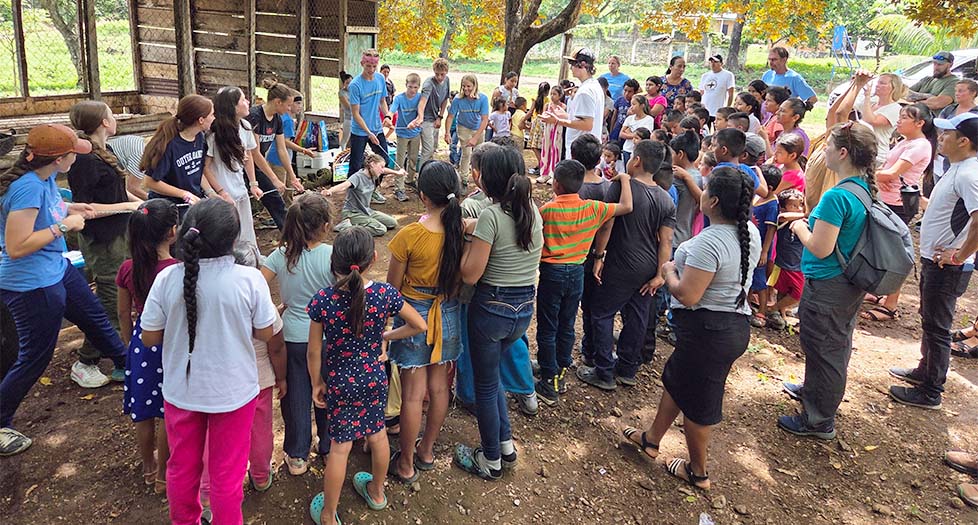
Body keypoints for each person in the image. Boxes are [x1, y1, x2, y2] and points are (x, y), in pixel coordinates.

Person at [137, 198, 276, 524]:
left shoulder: (166, 279)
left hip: (181, 392)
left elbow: (149, 337)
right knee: (227, 476)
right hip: (234, 393)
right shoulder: (250, 280)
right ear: (233, 240)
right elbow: (265, 332)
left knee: (181, 469)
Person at [622, 166, 759, 491]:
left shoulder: (709, 243)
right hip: (729, 324)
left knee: (699, 406)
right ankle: (652, 439)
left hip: (708, 332)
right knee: (677, 380)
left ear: (713, 201)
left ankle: (698, 472)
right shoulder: (748, 232)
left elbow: (687, 294)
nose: (702, 192)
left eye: (706, 188)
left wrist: (668, 271)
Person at [0, 124, 126, 456]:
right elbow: (16, 246)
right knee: (35, 355)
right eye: (73, 153)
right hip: (31, 283)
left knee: (94, 317)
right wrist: (63, 226)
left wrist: (72, 209)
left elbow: (48, 211)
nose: (77, 158)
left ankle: (129, 366)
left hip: (55, 268)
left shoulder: (45, 179)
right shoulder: (28, 188)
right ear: (58, 159)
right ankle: (1, 421)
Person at [306, 226, 426, 525]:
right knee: (378, 434)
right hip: (374, 377)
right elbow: (418, 325)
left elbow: (314, 351)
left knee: (340, 447)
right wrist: (386, 335)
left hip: (340, 382)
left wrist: (317, 382)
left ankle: (329, 515)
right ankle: (376, 492)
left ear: (333, 261)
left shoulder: (323, 300)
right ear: (373, 258)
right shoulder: (385, 294)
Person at [777, 122, 879, 440]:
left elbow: (820, 247)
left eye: (829, 147)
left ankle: (818, 419)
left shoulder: (837, 196)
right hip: (845, 282)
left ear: (843, 152)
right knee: (830, 343)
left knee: (826, 348)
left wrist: (799, 227)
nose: (825, 152)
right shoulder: (861, 187)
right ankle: (814, 392)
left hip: (829, 282)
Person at [454, 147, 543, 480]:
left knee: (486, 386)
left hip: (491, 310)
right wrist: (474, 227)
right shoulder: (532, 210)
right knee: (494, 381)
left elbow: (470, 274)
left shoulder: (491, 216)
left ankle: (490, 459)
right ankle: (505, 446)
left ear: (488, 180)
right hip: (522, 311)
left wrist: (466, 244)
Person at [887, 113, 978, 410]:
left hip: (947, 266)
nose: (940, 137)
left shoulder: (969, 174)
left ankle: (931, 391)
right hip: (935, 261)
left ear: (964, 141)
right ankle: (924, 371)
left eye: (947, 134)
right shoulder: (958, 168)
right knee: (930, 319)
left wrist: (959, 255)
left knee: (938, 327)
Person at [386, 160, 464, 483]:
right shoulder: (461, 231)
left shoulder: (410, 235)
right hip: (447, 312)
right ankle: (426, 451)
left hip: (413, 314)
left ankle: (405, 464)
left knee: (412, 395)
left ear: (423, 197)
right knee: (440, 386)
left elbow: (392, 289)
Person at [535, 157, 633, 405]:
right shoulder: (594, 208)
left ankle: (548, 379)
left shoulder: (547, 211)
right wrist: (625, 179)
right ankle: (560, 371)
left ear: (556, 184)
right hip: (577, 272)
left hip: (552, 273)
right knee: (567, 324)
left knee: (548, 326)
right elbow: (626, 206)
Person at [582, 140, 676, 390]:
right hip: (648, 266)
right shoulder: (666, 198)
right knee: (637, 316)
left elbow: (607, 223)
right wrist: (660, 274)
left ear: (637, 161)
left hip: (620, 263)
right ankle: (627, 368)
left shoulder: (622, 187)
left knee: (602, 313)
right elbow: (666, 240)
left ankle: (603, 371)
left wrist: (598, 256)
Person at [66, 101, 142, 387]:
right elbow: (84, 208)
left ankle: (120, 355)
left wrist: (144, 204)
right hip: (102, 240)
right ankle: (86, 361)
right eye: (111, 115)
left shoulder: (104, 150)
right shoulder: (83, 160)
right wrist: (128, 207)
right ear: (103, 123)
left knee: (123, 294)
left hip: (121, 232)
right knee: (110, 300)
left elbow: (119, 192)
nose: (115, 118)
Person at [260, 192, 334, 475]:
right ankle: (328, 445)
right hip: (326, 337)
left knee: (295, 397)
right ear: (325, 226)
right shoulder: (332, 255)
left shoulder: (280, 255)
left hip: (292, 337)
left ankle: (297, 454)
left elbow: (256, 286)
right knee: (326, 390)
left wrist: (276, 309)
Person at [116, 198, 178, 492]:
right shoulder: (177, 269)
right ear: (172, 232)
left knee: (143, 409)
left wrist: (130, 343)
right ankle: (164, 475)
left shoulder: (127, 268)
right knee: (167, 409)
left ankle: (148, 468)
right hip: (172, 341)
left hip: (142, 342)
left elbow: (122, 313)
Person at [860, 103, 936, 323]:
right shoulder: (905, 141)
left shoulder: (920, 145)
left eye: (904, 117)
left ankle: (891, 304)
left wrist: (872, 175)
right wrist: (882, 176)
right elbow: (887, 172)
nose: (899, 121)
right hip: (887, 199)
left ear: (919, 123)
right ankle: (878, 290)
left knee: (894, 253)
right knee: (878, 247)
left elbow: (892, 173)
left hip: (898, 204)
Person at [206, 86, 266, 255]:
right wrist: (221, 192)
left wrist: (253, 184)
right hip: (223, 196)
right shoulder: (214, 134)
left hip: (240, 190)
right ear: (232, 106)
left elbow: (248, 156)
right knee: (228, 237)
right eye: (243, 100)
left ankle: (251, 259)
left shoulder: (245, 126)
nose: (248, 102)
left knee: (246, 231)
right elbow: (205, 168)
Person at [141, 95, 213, 208]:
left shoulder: (200, 137)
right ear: (201, 120)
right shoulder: (169, 145)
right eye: (212, 115)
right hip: (169, 206)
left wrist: (211, 193)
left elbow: (196, 170)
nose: (214, 118)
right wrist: (184, 194)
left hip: (191, 202)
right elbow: (149, 182)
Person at [247, 79, 302, 228]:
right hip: (244, 165)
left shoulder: (277, 119)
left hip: (257, 166)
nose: (289, 108)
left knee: (276, 201)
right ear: (278, 102)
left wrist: (292, 177)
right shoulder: (255, 116)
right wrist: (274, 179)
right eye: (288, 105)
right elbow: (255, 152)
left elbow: (282, 149)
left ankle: (290, 234)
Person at [827, 70, 904, 167]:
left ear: (893, 88)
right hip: (860, 151)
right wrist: (855, 85)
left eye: (882, 83)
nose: (877, 85)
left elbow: (871, 120)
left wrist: (867, 96)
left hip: (877, 156)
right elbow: (843, 108)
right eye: (878, 82)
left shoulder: (895, 109)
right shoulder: (873, 102)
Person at [542, 48, 605, 161]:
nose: (571, 68)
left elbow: (587, 124)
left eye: (573, 64)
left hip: (581, 151)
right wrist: (566, 116)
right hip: (588, 149)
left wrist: (557, 121)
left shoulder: (585, 91)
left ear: (583, 64)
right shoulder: (594, 85)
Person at [323, 152, 402, 236]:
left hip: (367, 211)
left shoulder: (373, 173)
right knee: (380, 229)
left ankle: (356, 225)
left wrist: (397, 173)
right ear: (372, 164)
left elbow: (384, 171)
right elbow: (344, 186)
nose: (382, 170)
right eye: (381, 167)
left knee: (392, 223)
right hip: (352, 213)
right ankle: (346, 227)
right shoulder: (357, 177)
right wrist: (330, 191)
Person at [347, 49, 394, 180]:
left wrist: (387, 116)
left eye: (374, 66)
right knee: (355, 165)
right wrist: (368, 133)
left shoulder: (380, 78)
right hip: (360, 130)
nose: (371, 69)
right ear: (362, 64)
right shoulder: (355, 85)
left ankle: (373, 187)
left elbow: (382, 101)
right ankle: (353, 189)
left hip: (377, 128)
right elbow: (356, 114)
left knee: (384, 160)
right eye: (368, 66)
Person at [767, 188, 806, 330]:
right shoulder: (784, 220)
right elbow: (782, 217)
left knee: (791, 291)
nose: (799, 208)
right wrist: (805, 214)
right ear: (783, 208)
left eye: (801, 205)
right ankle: (776, 310)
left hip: (797, 265)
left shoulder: (803, 221)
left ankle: (777, 310)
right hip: (785, 263)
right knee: (793, 293)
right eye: (794, 206)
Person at [749, 165, 782, 328]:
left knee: (760, 280)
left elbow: (771, 229)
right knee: (750, 276)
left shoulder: (772, 204)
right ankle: (747, 304)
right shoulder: (758, 198)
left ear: (768, 187)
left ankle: (761, 312)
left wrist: (764, 252)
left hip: (761, 248)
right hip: (752, 245)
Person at [444, 74, 489, 186]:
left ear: (475, 86)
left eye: (468, 86)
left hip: (478, 128)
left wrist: (475, 137)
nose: (465, 89)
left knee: (480, 154)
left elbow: (485, 120)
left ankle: (481, 178)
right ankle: (464, 179)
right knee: (466, 153)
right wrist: (447, 133)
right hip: (463, 127)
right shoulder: (458, 99)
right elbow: (450, 117)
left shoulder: (483, 99)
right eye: (463, 86)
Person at [268, 91, 315, 184]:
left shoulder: (280, 116)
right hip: (280, 160)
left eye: (301, 104)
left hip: (272, 156)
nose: (300, 106)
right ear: (289, 104)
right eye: (298, 103)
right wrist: (303, 150)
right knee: (281, 186)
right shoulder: (288, 121)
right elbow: (285, 142)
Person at [390, 73, 424, 202]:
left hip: (415, 133)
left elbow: (422, 113)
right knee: (399, 160)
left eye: (415, 87)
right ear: (406, 85)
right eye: (410, 87)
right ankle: (398, 188)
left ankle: (409, 180)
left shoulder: (420, 98)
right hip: (402, 133)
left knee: (413, 159)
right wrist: (388, 117)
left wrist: (416, 123)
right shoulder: (399, 98)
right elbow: (392, 110)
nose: (412, 90)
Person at [670, 130, 704, 250]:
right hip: (686, 236)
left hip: (673, 238)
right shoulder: (698, 175)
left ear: (680, 154)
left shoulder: (677, 178)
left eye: (672, 154)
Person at [415, 58, 451, 166]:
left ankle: (429, 171)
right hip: (426, 119)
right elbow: (422, 102)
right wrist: (420, 117)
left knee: (433, 149)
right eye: (437, 74)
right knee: (427, 150)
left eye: (442, 74)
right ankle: (422, 173)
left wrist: (440, 117)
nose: (439, 77)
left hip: (436, 117)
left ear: (446, 72)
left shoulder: (447, 80)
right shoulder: (428, 84)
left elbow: (445, 99)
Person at [536, 85, 566, 185]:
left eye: (555, 94)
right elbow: (543, 117)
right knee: (546, 149)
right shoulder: (547, 105)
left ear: (560, 95)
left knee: (555, 150)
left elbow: (562, 118)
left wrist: (554, 116)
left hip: (557, 130)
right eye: (551, 94)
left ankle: (553, 173)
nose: (552, 96)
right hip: (547, 129)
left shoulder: (563, 107)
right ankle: (544, 173)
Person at [699, 54, 735, 128]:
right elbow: (701, 92)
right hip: (705, 109)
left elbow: (731, 93)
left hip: (718, 109)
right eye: (711, 62)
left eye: (715, 62)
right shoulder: (705, 76)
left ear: (721, 63)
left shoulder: (728, 75)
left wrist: (727, 107)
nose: (713, 64)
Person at [619, 95, 656, 165]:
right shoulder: (629, 118)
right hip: (627, 149)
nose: (631, 107)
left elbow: (643, 135)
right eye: (631, 105)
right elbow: (621, 134)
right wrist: (635, 135)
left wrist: (629, 131)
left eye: (634, 104)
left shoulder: (649, 119)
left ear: (642, 106)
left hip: (639, 151)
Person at [526, 82, 551, 175]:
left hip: (536, 122)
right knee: (540, 146)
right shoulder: (548, 100)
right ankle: (541, 164)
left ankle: (542, 165)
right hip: (543, 123)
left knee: (534, 146)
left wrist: (523, 119)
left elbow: (530, 111)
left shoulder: (535, 99)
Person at [609, 78, 639, 146]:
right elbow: (614, 117)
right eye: (625, 90)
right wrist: (611, 130)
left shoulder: (636, 104)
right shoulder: (619, 100)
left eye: (630, 91)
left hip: (627, 132)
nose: (626, 93)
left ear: (635, 92)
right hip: (617, 129)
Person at [338, 71, 353, 149]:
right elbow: (348, 106)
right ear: (343, 84)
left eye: (351, 82)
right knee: (345, 138)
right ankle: (342, 152)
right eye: (347, 83)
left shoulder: (355, 91)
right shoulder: (342, 93)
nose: (349, 85)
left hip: (358, 118)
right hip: (349, 118)